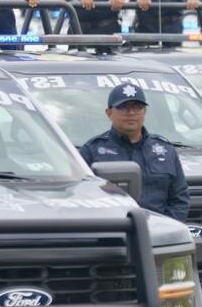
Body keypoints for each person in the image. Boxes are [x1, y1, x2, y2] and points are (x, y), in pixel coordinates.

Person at [80, 83, 190, 222]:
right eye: (123, 107)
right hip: (112, 233)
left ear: (144, 112)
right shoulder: (91, 151)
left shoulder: (165, 150)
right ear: (109, 113)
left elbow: (180, 200)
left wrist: (165, 228)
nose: (131, 113)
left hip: (160, 232)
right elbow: (83, 200)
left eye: (137, 107)